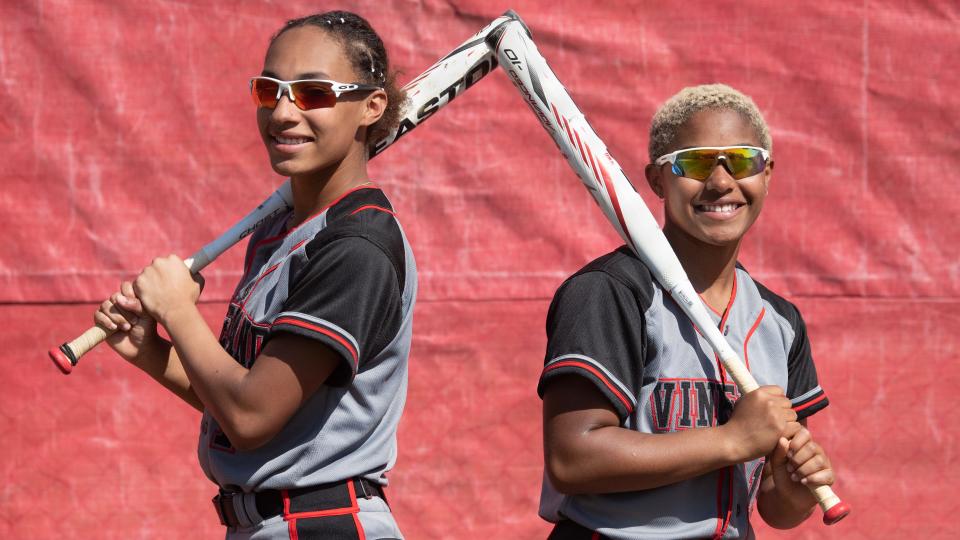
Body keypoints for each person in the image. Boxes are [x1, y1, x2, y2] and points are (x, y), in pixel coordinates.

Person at [95, 11, 412, 539]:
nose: (283, 113)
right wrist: (152, 350)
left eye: (312, 93)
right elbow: (242, 396)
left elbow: (251, 419)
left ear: (371, 106)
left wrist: (178, 310)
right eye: (270, 91)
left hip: (319, 524)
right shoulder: (281, 233)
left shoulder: (356, 247)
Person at [537, 84, 836, 539]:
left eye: (743, 160)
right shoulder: (610, 292)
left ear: (768, 173)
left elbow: (776, 509)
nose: (720, 181)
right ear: (657, 179)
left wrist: (795, 489)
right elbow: (572, 459)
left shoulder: (780, 321)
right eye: (693, 162)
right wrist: (731, 440)